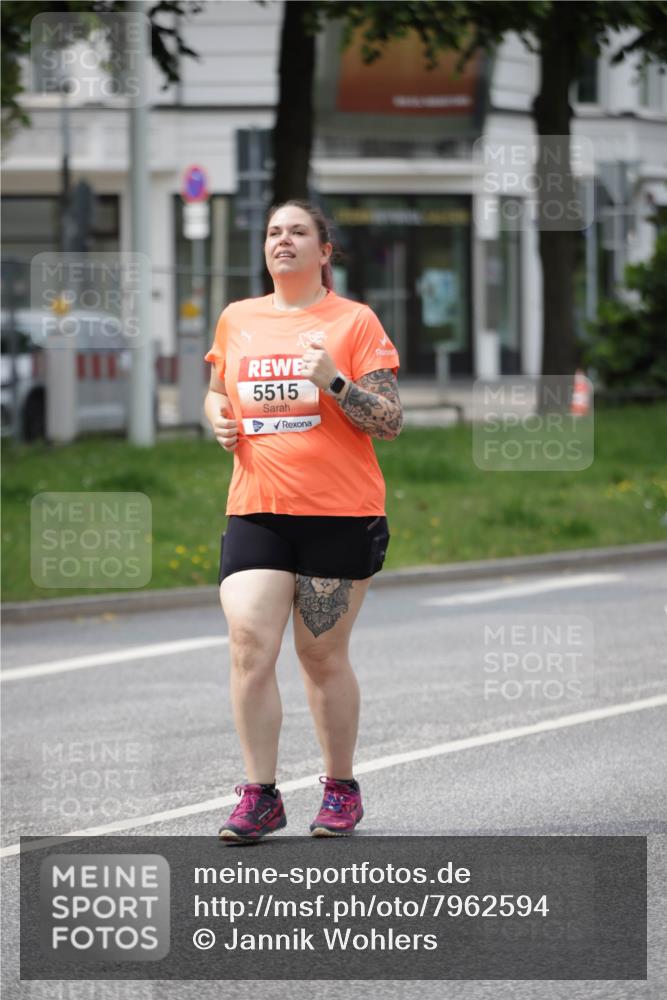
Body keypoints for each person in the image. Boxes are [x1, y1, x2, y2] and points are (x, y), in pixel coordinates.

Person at [203, 200, 402, 842]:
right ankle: (260, 795)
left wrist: (335, 383)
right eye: (273, 232)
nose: (282, 240)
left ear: (325, 251)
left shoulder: (354, 321)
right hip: (257, 507)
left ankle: (340, 787)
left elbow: (390, 421)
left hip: (339, 513)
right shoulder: (238, 318)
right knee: (248, 644)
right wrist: (216, 416)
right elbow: (218, 389)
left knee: (319, 655)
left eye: (297, 232)